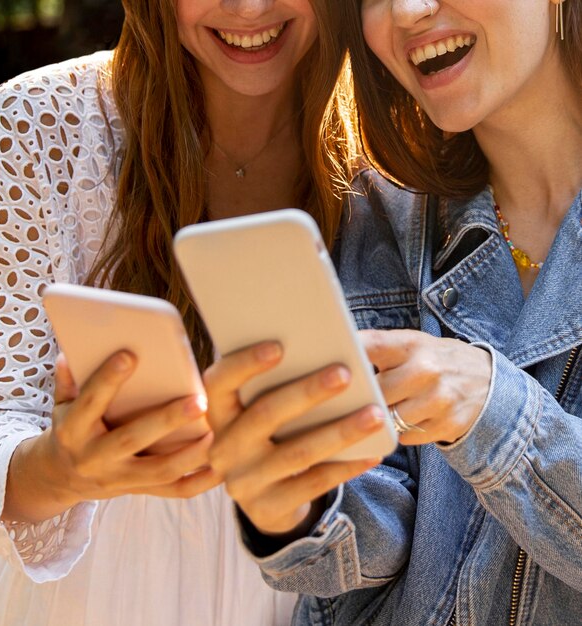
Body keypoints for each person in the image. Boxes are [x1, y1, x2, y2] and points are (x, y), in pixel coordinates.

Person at [0, 1, 358, 625]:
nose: (249, 8)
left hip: (304, 582)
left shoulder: (391, 149)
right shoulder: (40, 121)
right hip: (93, 595)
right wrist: (63, 468)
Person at [203, 0, 582, 624]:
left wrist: (494, 412)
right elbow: (371, 543)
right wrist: (294, 507)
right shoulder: (383, 210)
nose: (407, 11)